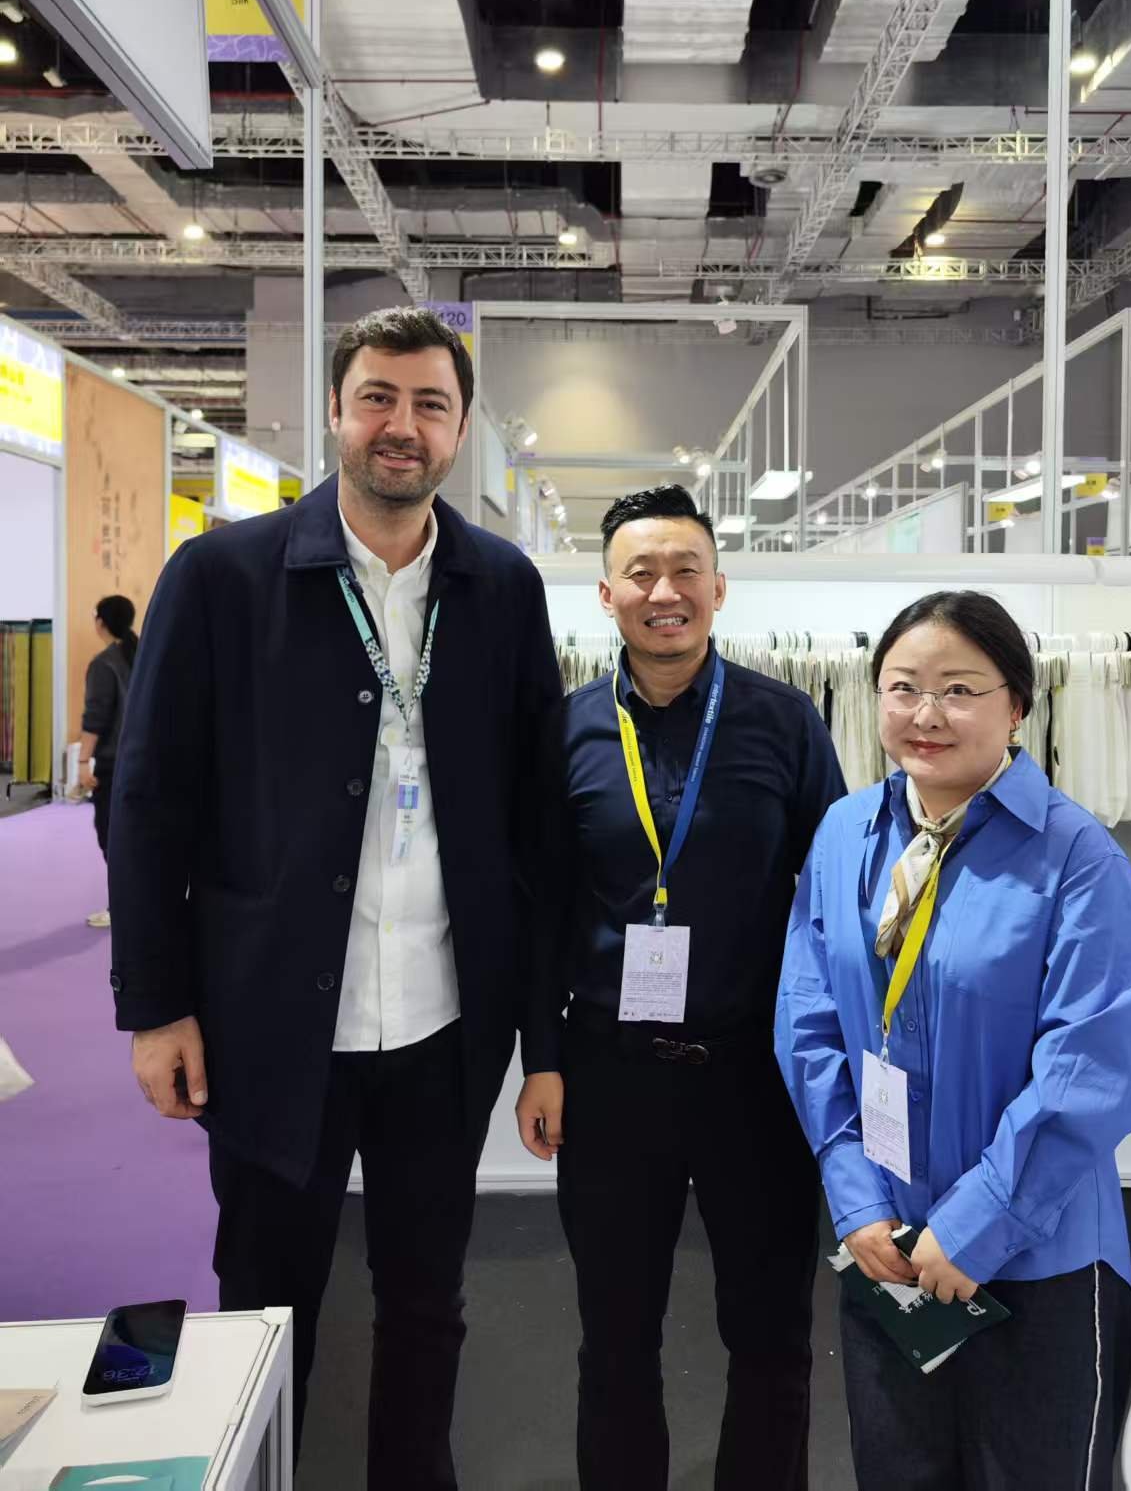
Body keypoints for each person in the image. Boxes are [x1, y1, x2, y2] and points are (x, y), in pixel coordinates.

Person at [107, 306, 561, 1489]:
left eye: (430, 404)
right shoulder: (222, 577)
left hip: (441, 1025)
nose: (401, 426)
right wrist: (154, 1004)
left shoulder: (502, 588)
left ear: (460, 427)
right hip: (266, 1018)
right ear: (336, 410)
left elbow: (537, 824)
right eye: (378, 398)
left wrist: (544, 1037)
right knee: (265, 1299)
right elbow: (148, 803)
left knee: (426, 1297)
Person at [775, 591, 1131, 1491]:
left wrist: (973, 1226)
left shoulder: (1075, 858)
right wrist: (855, 1197)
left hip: (1039, 1256)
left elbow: (1089, 1072)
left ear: (1015, 704)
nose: (926, 714)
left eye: (957, 689)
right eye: (903, 687)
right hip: (888, 1242)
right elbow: (808, 1019)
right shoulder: (844, 834)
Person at [517, 483, 846, 1491]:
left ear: (718, 586)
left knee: (771, 1334)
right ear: (606, 594)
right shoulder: (562, 729)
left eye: (685, 571)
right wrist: (540, 1061)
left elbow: (831, 903)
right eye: (642, 573)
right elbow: (540, 908)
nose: (665, 592)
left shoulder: (785, 722)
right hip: (610, 1073)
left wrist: (832, 1065)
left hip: (755, 1075)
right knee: (615, 1336)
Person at [78, 594, 137, 927]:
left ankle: (122, 909)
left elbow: (95, 718)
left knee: (112, 839)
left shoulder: (104, 664)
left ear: (101, 622)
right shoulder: (142, 655)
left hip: (113, 765)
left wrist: (83, 763)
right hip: (143, 762)